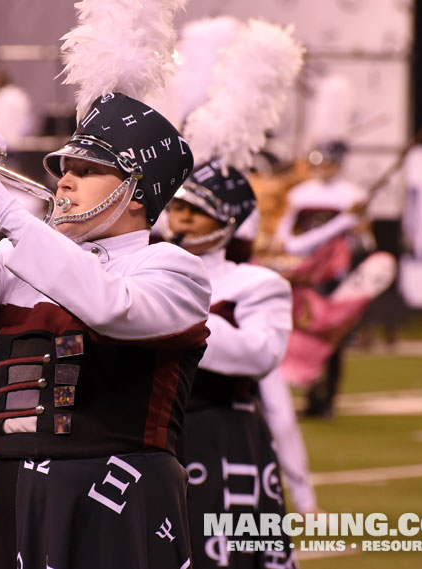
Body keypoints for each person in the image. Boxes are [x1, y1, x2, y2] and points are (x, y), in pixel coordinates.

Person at [0, 95, 209, 566]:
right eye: (64, 168)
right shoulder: (17, 264)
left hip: (120, 489)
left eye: (86, 170)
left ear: (135, 191)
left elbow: (109, 307)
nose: (64, 180)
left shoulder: (173, 270)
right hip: (18, 485)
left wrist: (11, 215)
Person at [163, 161, 297, 568]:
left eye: (199, 208)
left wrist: (171, 312)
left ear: (228, 220)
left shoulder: (256, 283)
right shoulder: (145, 268)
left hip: (221, 435)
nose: (183, 215)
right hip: (149, 434)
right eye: (178, 204)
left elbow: (261, 353)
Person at [271, 141, 371, 419]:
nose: (321, 169)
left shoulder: (353, 194)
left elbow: (363, 240)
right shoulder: (301, 194)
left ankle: (328, 396)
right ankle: (310, 393)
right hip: (305, 272)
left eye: (327, 163)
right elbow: (288, 238)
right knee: (303, 332)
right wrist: (341, 224)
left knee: (331, 334)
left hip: (334, 273)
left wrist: (358, 223)